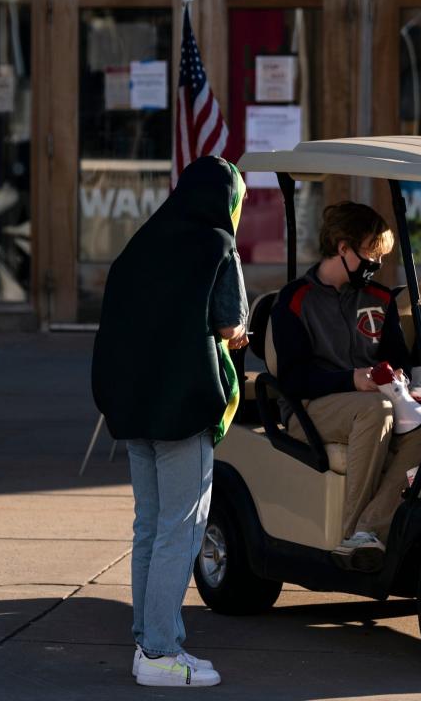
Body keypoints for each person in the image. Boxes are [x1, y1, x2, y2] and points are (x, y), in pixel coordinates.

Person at [92, 156, 249, 688]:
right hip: (184, 408)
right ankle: (160, 652)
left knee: (150, 528)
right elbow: (230, 324)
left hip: (133, 407)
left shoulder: (140, 244)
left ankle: (149, 643)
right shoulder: (216, 246)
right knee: (180, 531)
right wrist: (235, 336)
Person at [270, 201, 421, 570]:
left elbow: (396, 356)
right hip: (310, 406)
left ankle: (366, 531)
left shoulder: (380, 299)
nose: (377, 266)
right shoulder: (294, 300)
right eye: (370, 255)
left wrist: (398, 376)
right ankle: (350, 535)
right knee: (375, 410)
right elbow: (291, 377)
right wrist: (351, 379)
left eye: (380, 257)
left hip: (374, 402)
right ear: (342, 247)